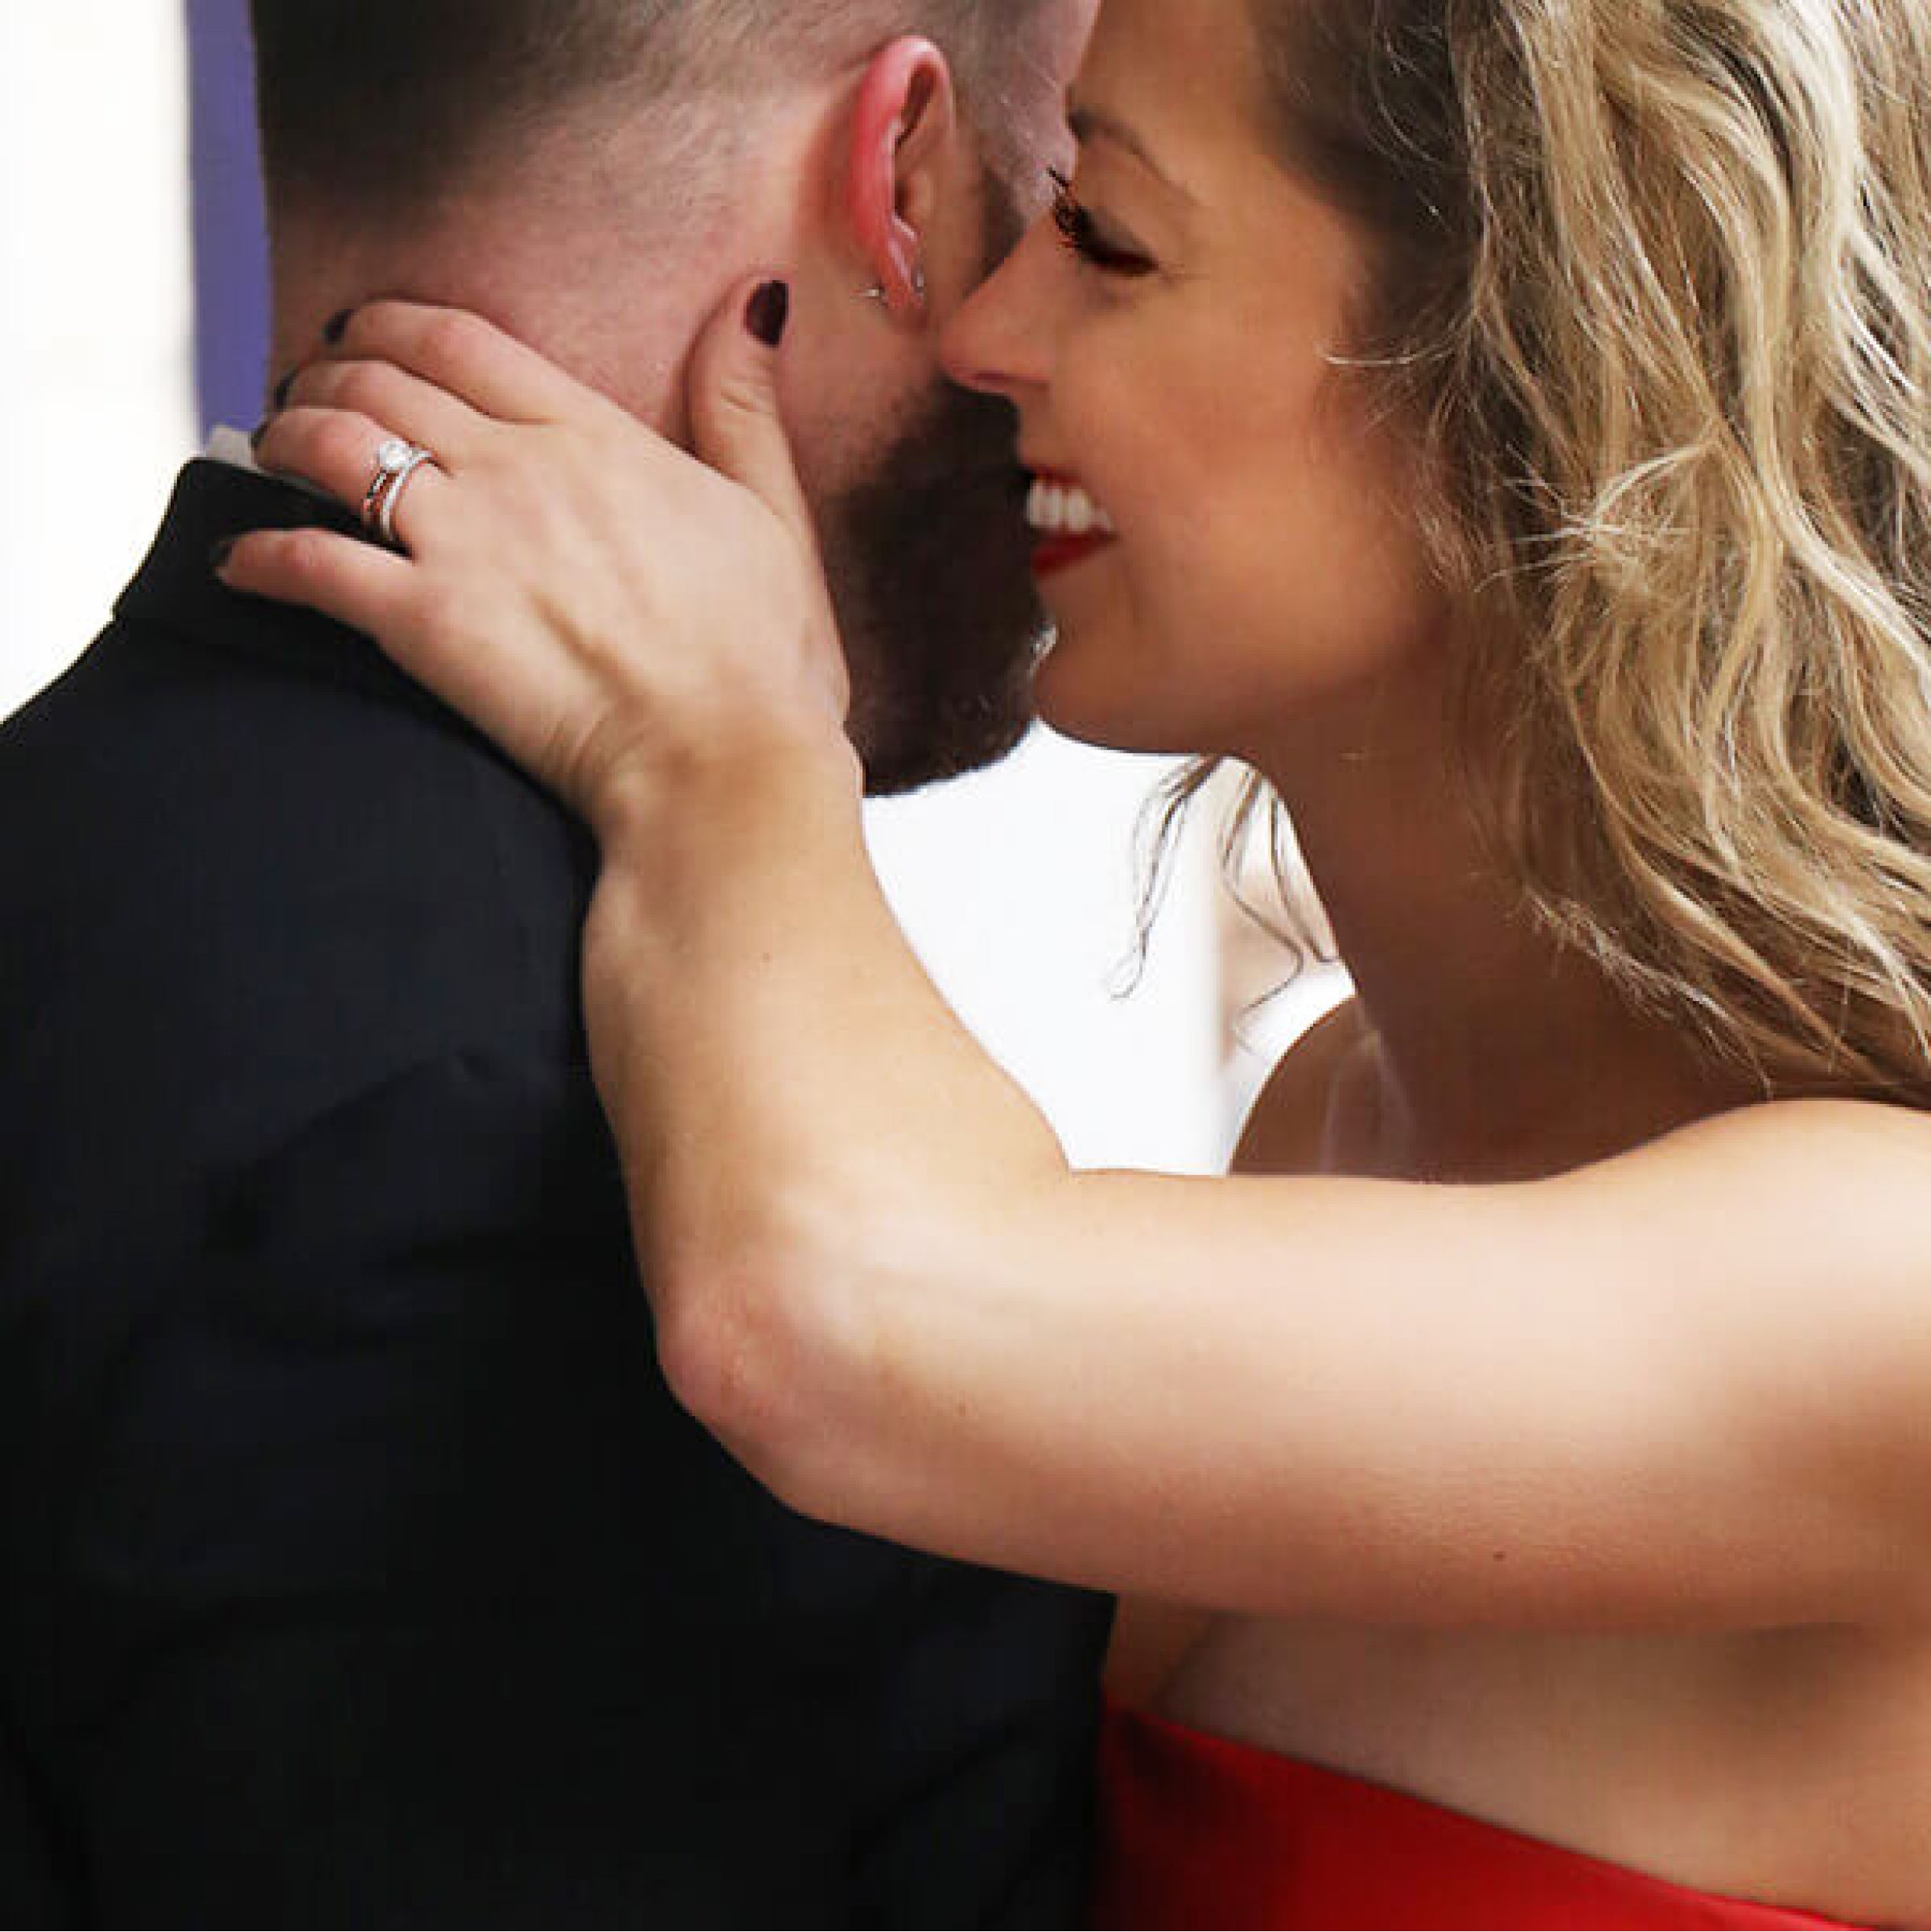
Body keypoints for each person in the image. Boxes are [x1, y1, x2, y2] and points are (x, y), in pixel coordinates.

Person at [226, 0, 1931, 1926]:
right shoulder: (1330, 1112)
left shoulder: (1896, 1279)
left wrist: (719, 747)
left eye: (1102, 236)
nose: (978, 330)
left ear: (1519, 374)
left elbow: (831, 1318)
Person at [0, 4, 1115, 1924]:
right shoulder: (526, 1131)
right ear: (906, 176)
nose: (1055, 341)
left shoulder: (82, 835)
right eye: (1068, 203)